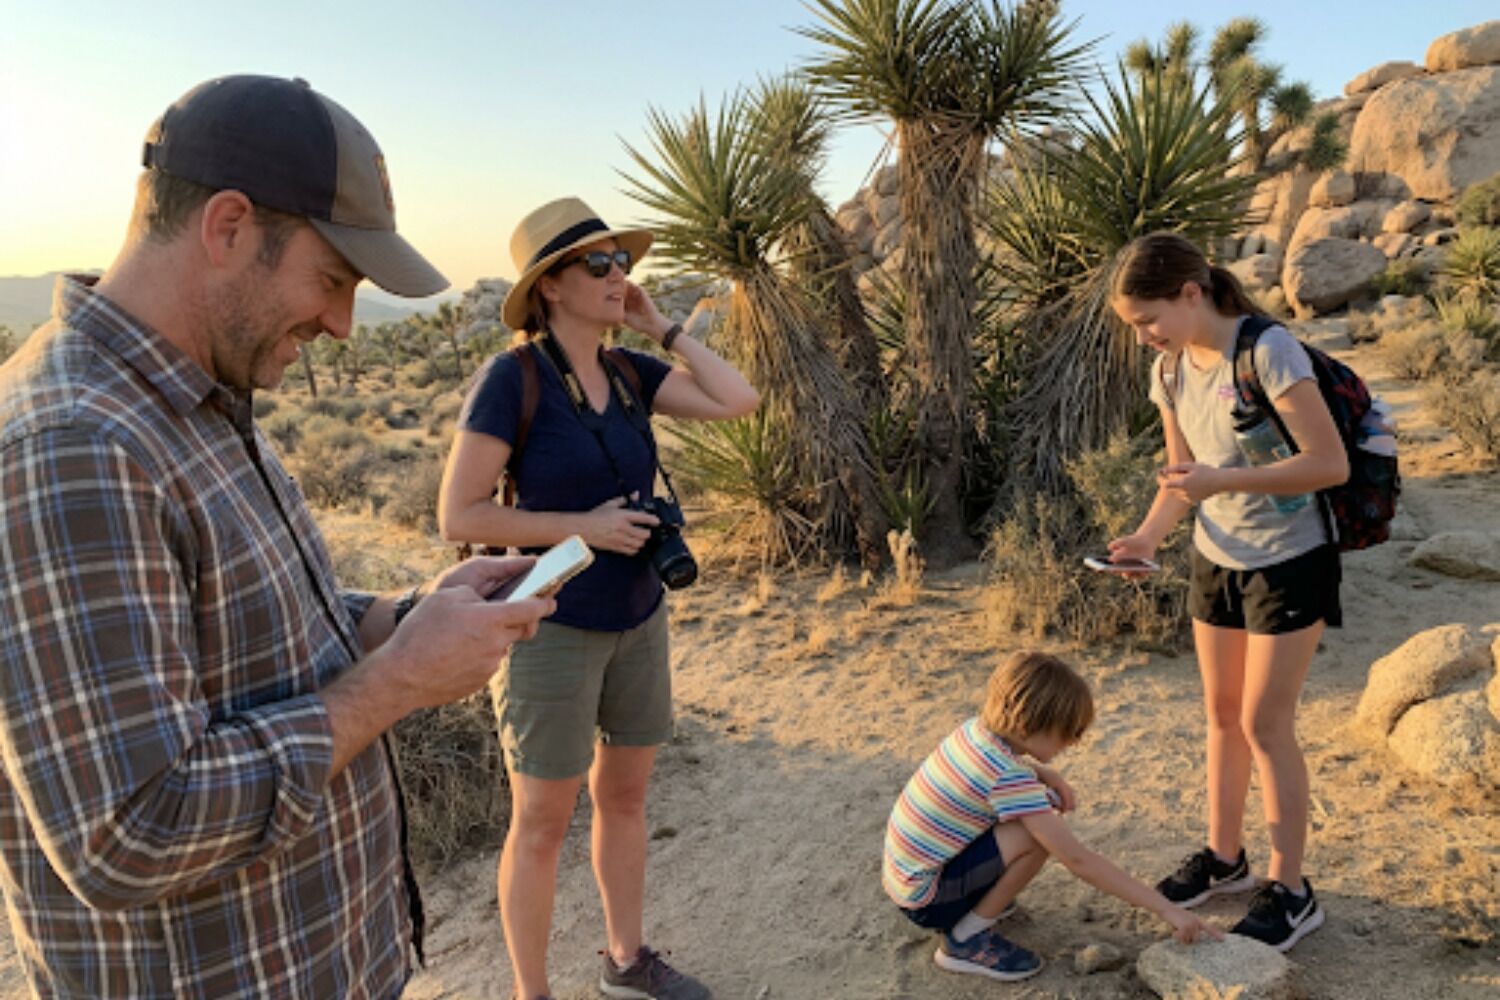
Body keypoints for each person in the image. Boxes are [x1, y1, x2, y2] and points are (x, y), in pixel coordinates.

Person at [0, 75, 555, 999]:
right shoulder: (73, 446)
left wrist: (401, 619)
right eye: (332, 279)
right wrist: (396, 683)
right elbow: (129, 830)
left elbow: (235, 620)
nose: (341, 323)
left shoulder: (193, 396)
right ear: (228, 228)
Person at [438, 197, 758, 1000]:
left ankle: (626, 960)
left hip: (638, 613)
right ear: (549, 286)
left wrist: (666, 330)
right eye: (600, 264)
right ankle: (532, 993)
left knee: (624, 797)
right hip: (552, 625)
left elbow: (738, 400)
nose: (620, 277)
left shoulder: (628, 370)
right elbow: (460, 513)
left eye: (624, 263)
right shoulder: (511, 381)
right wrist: (581, 526)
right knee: (542, 823)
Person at [1107, 231, 1349, 952]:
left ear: (1191, 292)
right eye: (1134, 328)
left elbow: (1327, 463)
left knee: (1266, 727)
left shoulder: (1267, 351)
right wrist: (1148, 539)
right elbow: (1183, 477)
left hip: (1290, 559)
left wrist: (1225, 481)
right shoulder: (1172, 372)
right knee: (1220, 716)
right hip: (1217, 556)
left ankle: (1292, 890)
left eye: (1149, 320)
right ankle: (1224, 860)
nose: (1146, 338)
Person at [883, 651, 1222, 983]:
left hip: (908, 881)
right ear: (1029, 726)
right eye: (1070, 732)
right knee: (1034, 836)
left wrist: (1045, 774)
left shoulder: (974, 732)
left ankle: (978, 902)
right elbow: (1078, 860)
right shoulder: (1008, 777)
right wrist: (1166, 909)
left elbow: (999, 774)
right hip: (928, 901)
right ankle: (965, 941)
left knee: (1031, 812)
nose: (1074, 743)